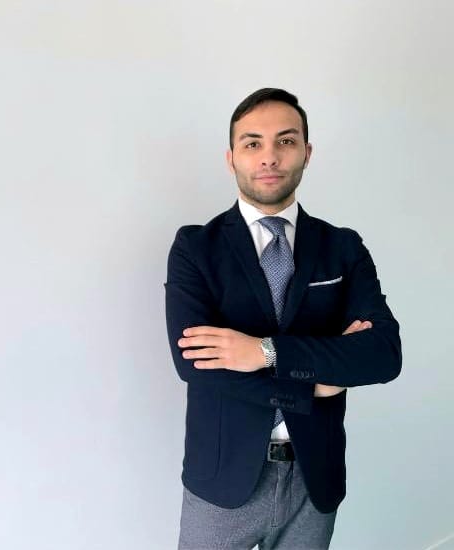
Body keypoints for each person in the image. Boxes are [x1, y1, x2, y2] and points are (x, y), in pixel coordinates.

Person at [164, 88, 402, 549]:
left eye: (285, 141)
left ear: (306, 153)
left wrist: (264, 352)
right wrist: (312, 386)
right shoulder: (195, 248)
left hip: (314, 478)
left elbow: (382, 354)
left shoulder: (343, 247)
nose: (269, 156)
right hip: (223, 480)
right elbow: (195, 364)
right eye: (252, 143)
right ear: (231, 158)